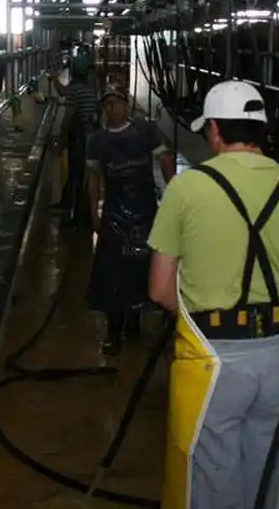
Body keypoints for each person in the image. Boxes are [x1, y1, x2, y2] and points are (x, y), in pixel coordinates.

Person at [146, 80, 279, 509]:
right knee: (264, 470)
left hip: (213, 357)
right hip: (278, 358)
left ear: (214, 131)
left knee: (211, 475)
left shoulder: (187, 189)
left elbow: (159, 290)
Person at [87, 85, 175, 355]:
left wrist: (174, 198)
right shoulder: (97, 140)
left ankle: (135, 321)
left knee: (141, 268)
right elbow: (94, 178)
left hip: (144, 210)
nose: (114, 109)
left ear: (127, 105)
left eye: (118, 103)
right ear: (104, 109)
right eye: (108, 104)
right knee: (112, 272)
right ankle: (114, 330)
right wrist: (94, 212)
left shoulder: (146, 132)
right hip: (114, 213)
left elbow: (165, 160)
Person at [49, 55, 99, 226]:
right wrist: (55, 79)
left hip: (80, 135)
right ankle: (68, 202)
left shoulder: (76, 88)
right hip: (90, 133)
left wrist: (61, 140)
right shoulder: (88, 87)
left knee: (77, 173)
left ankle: (77, 216)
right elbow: (64, 91)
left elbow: (69, 115)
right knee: (79, 172)